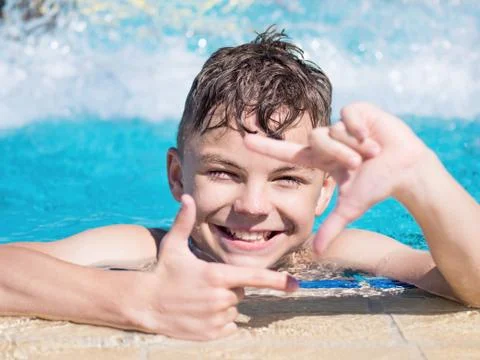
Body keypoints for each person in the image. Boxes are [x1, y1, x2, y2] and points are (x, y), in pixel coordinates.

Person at [0, 28, 479, 341]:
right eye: (223, 173)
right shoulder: (149, 248)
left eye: (287, 178)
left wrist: (423, 181)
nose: (252, 205)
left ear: (325, 191)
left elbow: (469, 286)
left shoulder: (335, 253)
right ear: (176, 176)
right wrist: (137, 300)